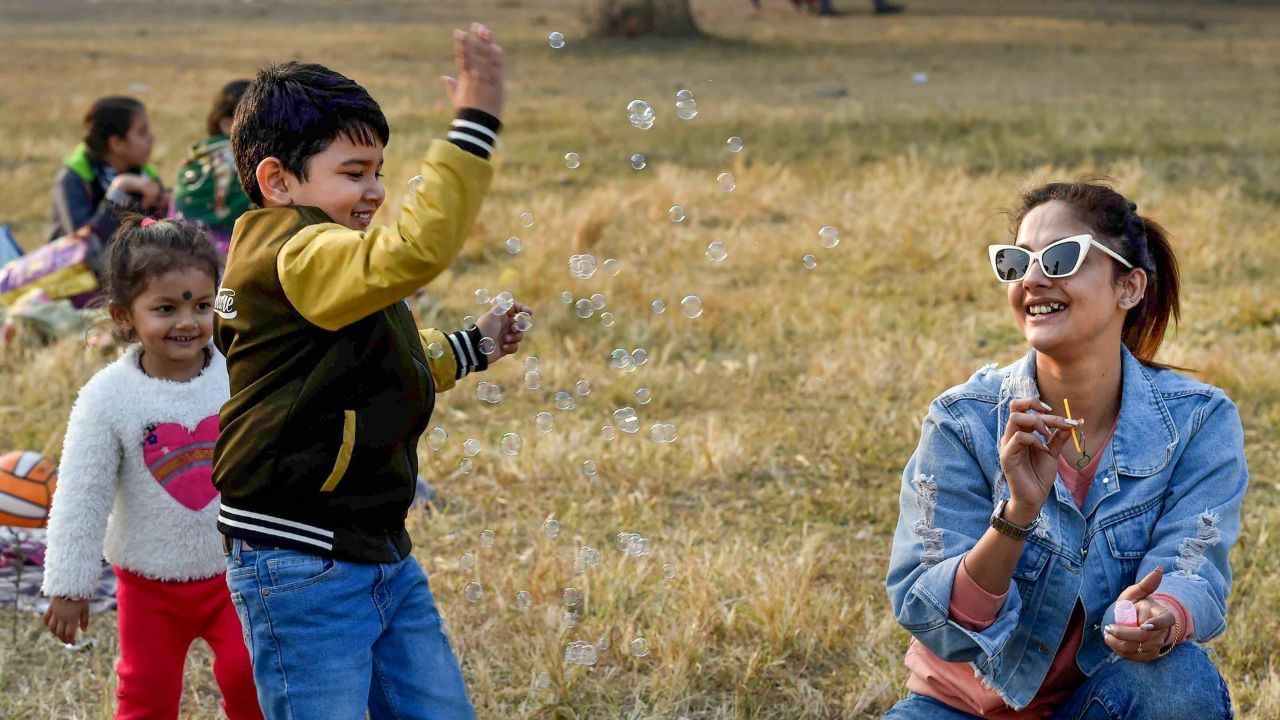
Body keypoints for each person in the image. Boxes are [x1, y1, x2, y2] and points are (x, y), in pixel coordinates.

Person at [214, 23, 521, 719]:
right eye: (354, 172)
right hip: (301, 563)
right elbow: (415, 250)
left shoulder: (326, 257)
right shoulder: (299, 255)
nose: (376, 191)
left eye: (379, 170)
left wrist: (470, 347)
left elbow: (378, 362)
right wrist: (473, 125)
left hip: (377, 548)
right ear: (278, 180)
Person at [884, 179, 1246, 719]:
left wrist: (1159, 614)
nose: (1032, 278)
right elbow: (931, 615)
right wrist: (1016, 515)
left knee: (1177, 680)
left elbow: (1191, 566)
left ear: (1129, 288)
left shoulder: (1199, 421)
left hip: (1100, 703)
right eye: (1016, 262)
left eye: (1060, 258)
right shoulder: (964, 420)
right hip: (962, 710)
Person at [41, 216, 261, 720]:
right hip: (148, 585)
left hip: (235, 571)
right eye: (166, 308)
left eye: (201, 305)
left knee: (252, 677)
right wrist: (69, 586)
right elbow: (82, 493)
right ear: (124, 316)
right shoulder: (107, 398)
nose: (187, 322)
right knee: (147, 693)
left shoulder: (238, 372)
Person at [50, 96, 168, 244]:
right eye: (142, 132)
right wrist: (119, 192)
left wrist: (168, 204)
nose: (152, 138)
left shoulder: (144, 173)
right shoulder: (73, 180)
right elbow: (86, 244)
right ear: (116, 143)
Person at [173, 80, 254, 254]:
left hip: (179, 239)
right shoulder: (239, 156)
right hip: (229, 246)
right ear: (226, 124)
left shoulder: (197, 152)